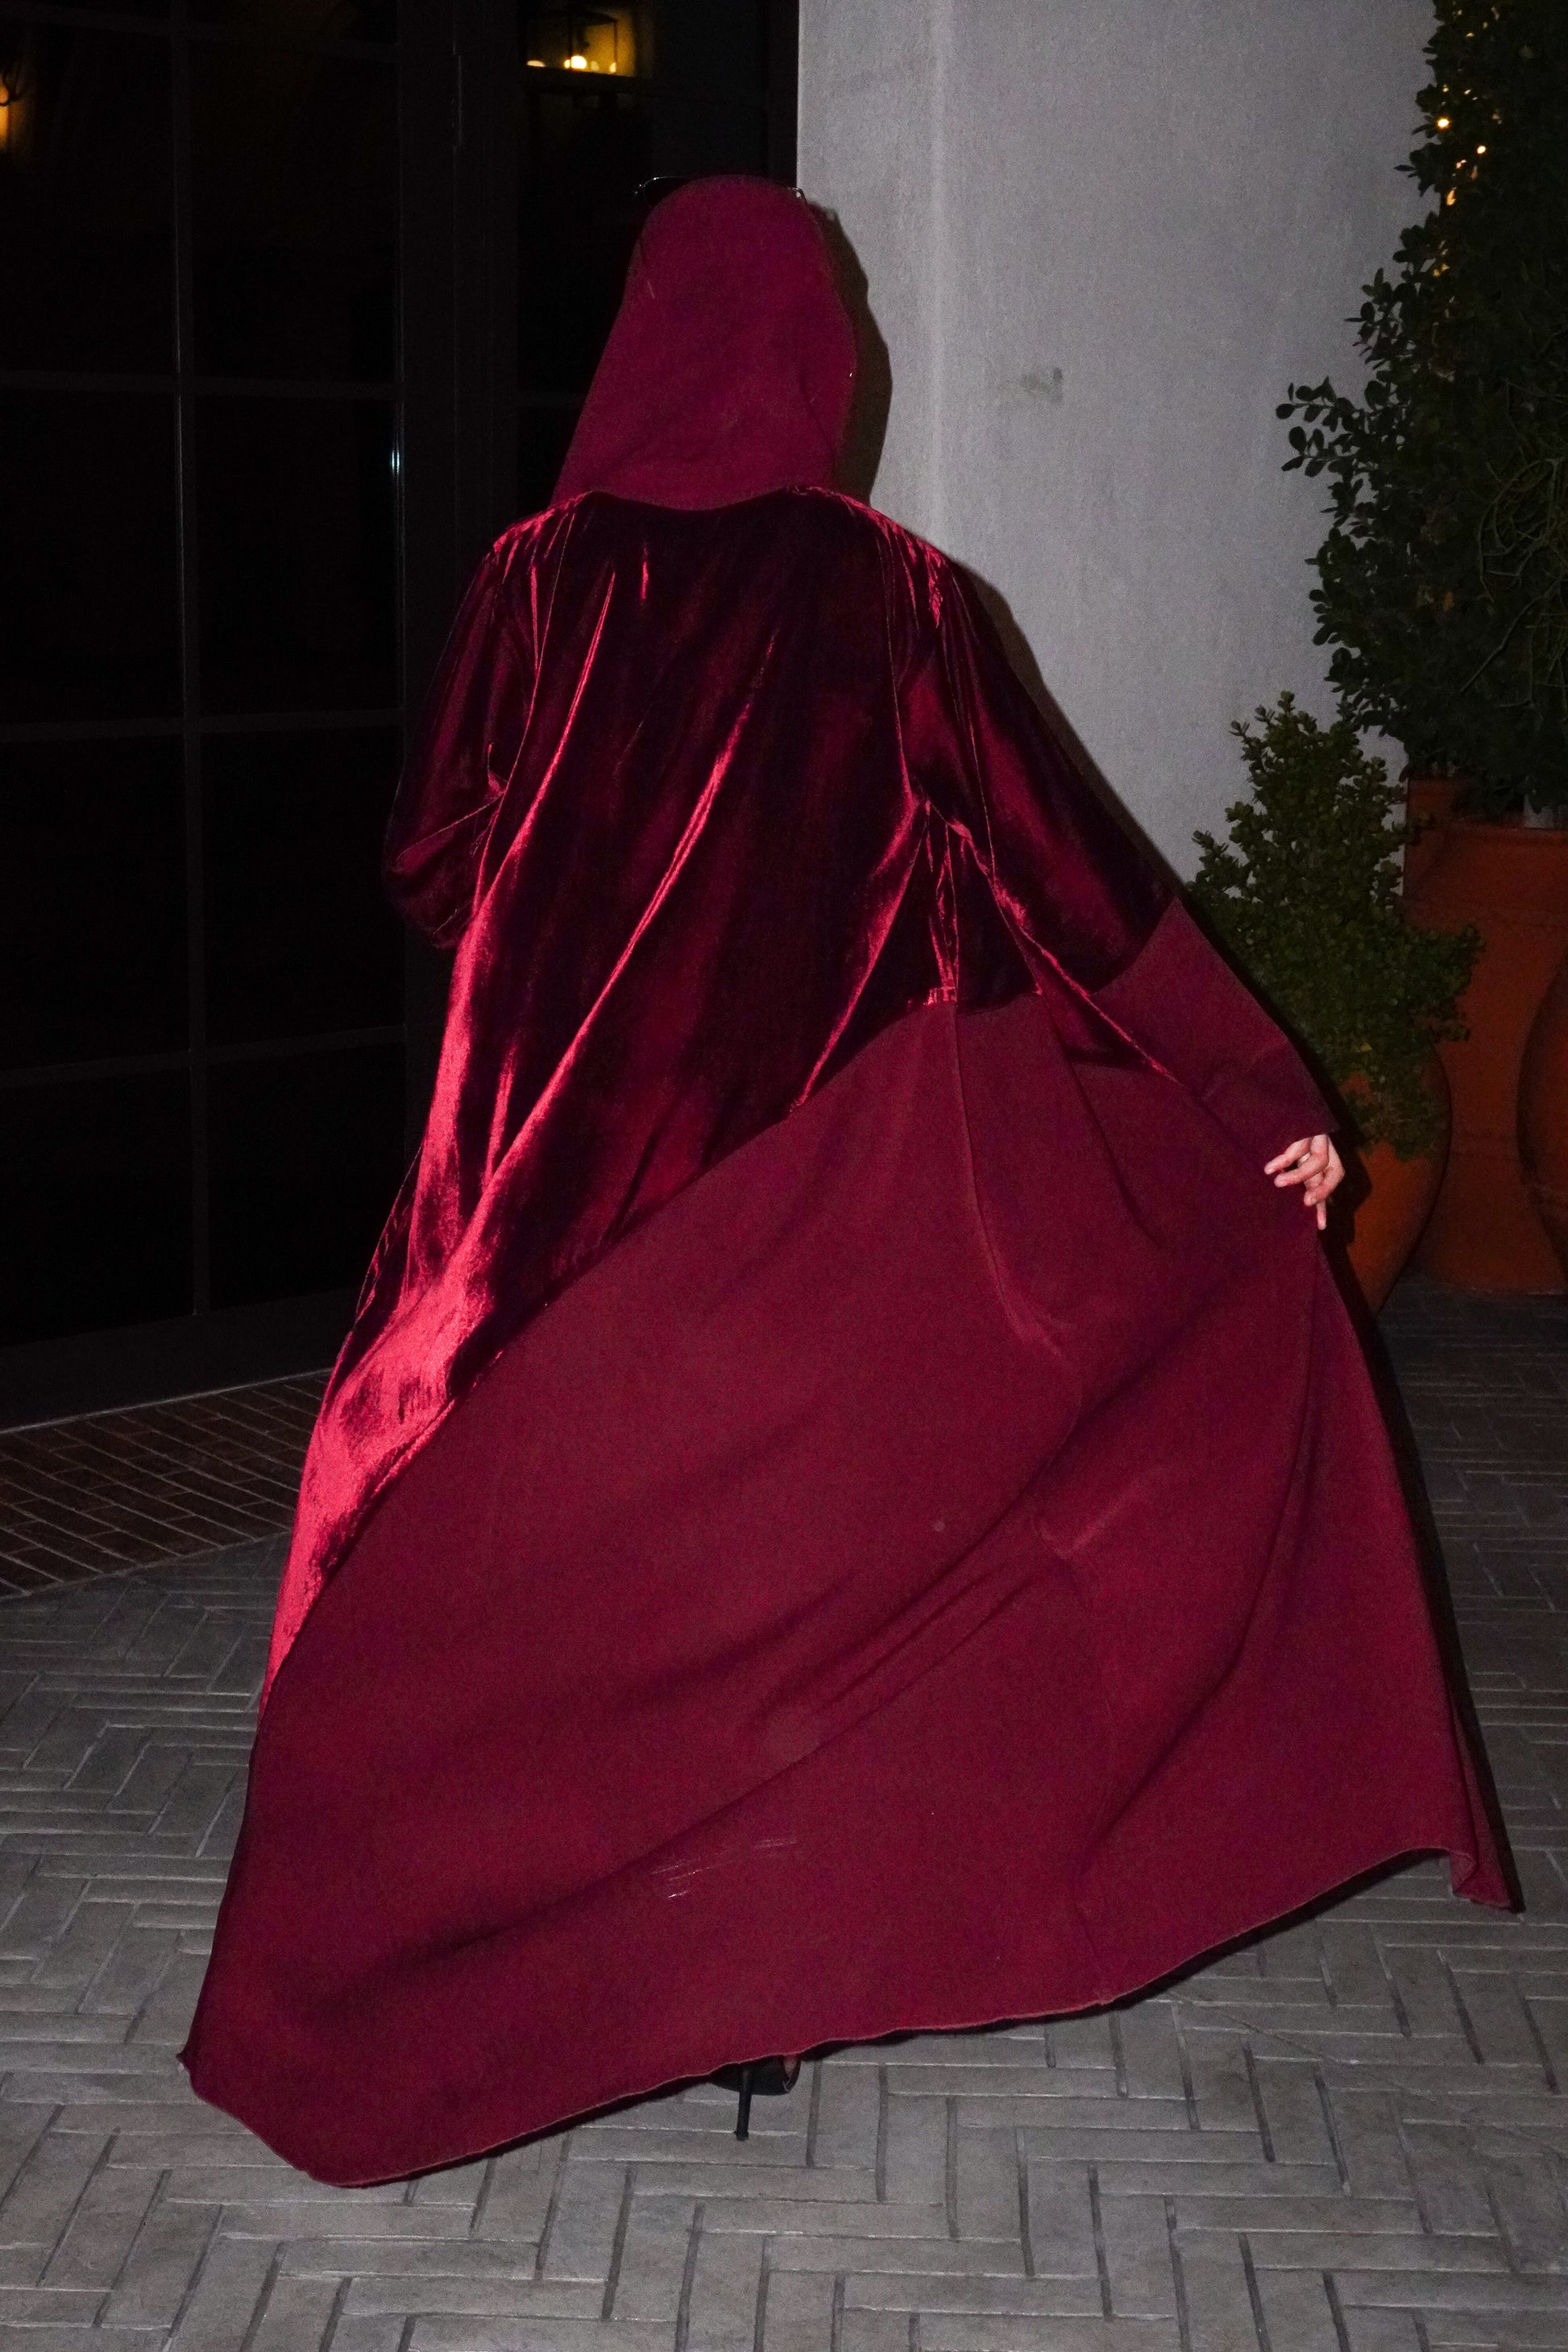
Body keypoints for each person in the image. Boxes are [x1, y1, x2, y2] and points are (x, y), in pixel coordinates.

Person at [183, 176, 1507, 2188]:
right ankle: (756, 1971)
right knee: (813, 1590)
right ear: (811, 359)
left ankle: (400, 2000)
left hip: (538, 1215)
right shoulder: (894, 595)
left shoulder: (533, 580)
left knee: (485, 1586)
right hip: (818, 1201)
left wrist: (562, 907)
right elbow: (1077, 885)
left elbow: (425, 857)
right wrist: (1249, 1085)